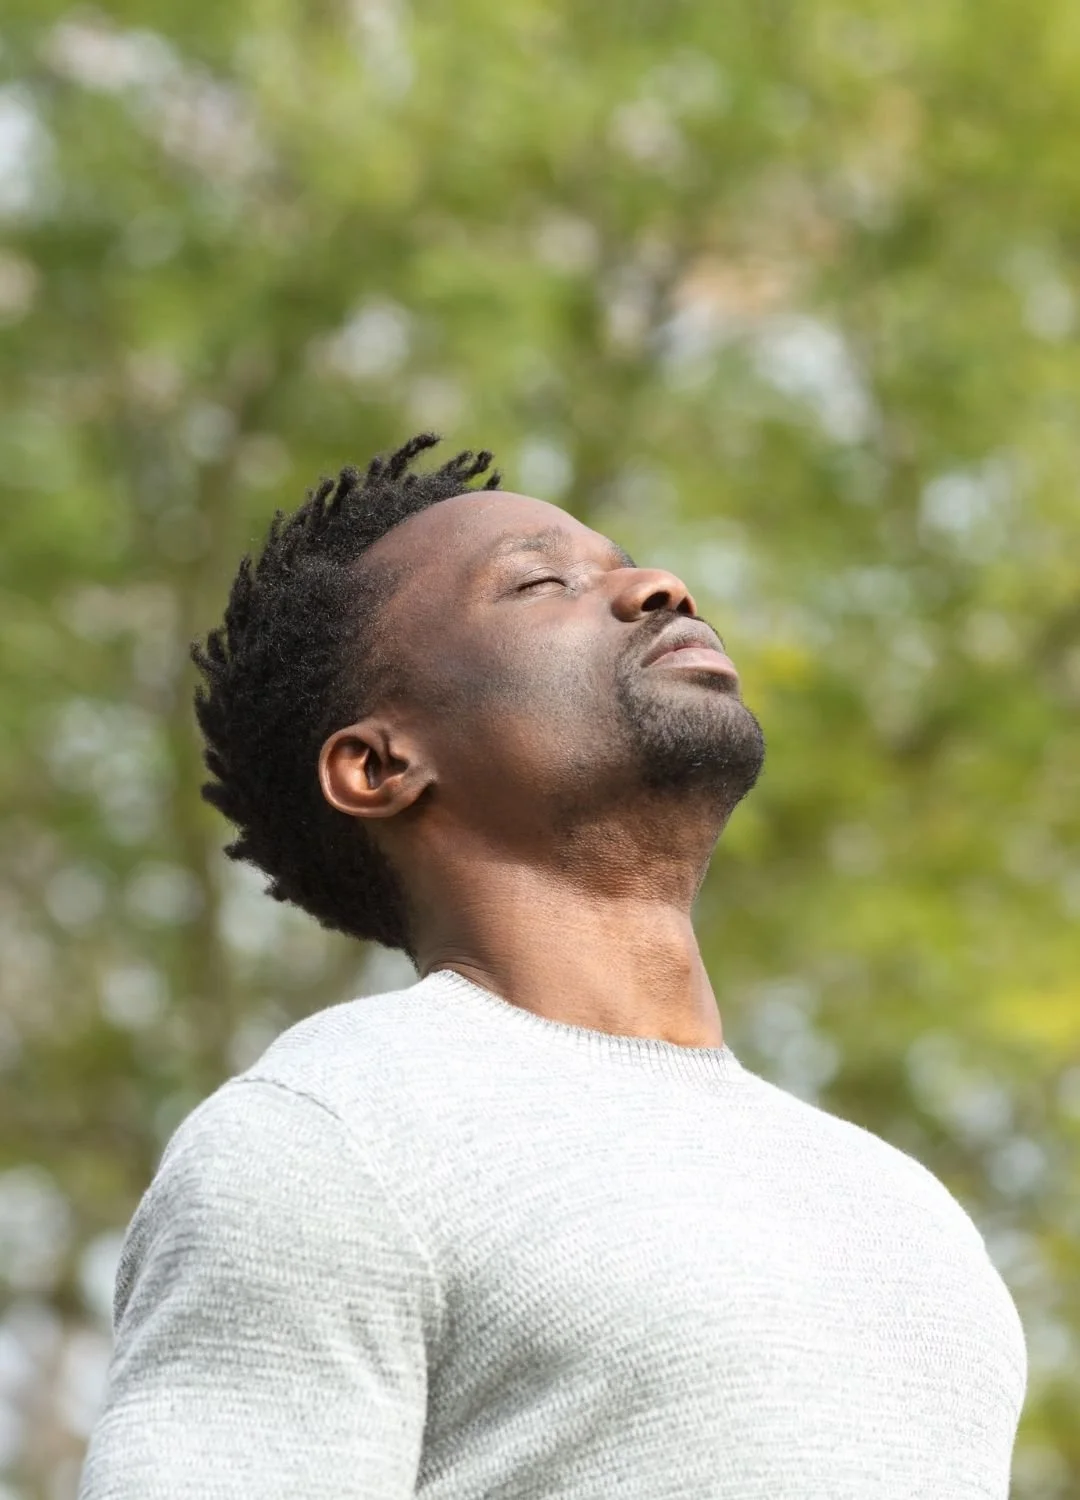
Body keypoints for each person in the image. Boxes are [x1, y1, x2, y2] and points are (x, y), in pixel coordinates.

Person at [79, 433, 1027, 1499]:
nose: (656, 588)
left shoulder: (898, 1203)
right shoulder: (330, 1136)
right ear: (381, 764)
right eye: (541, 583)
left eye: (630, 563)